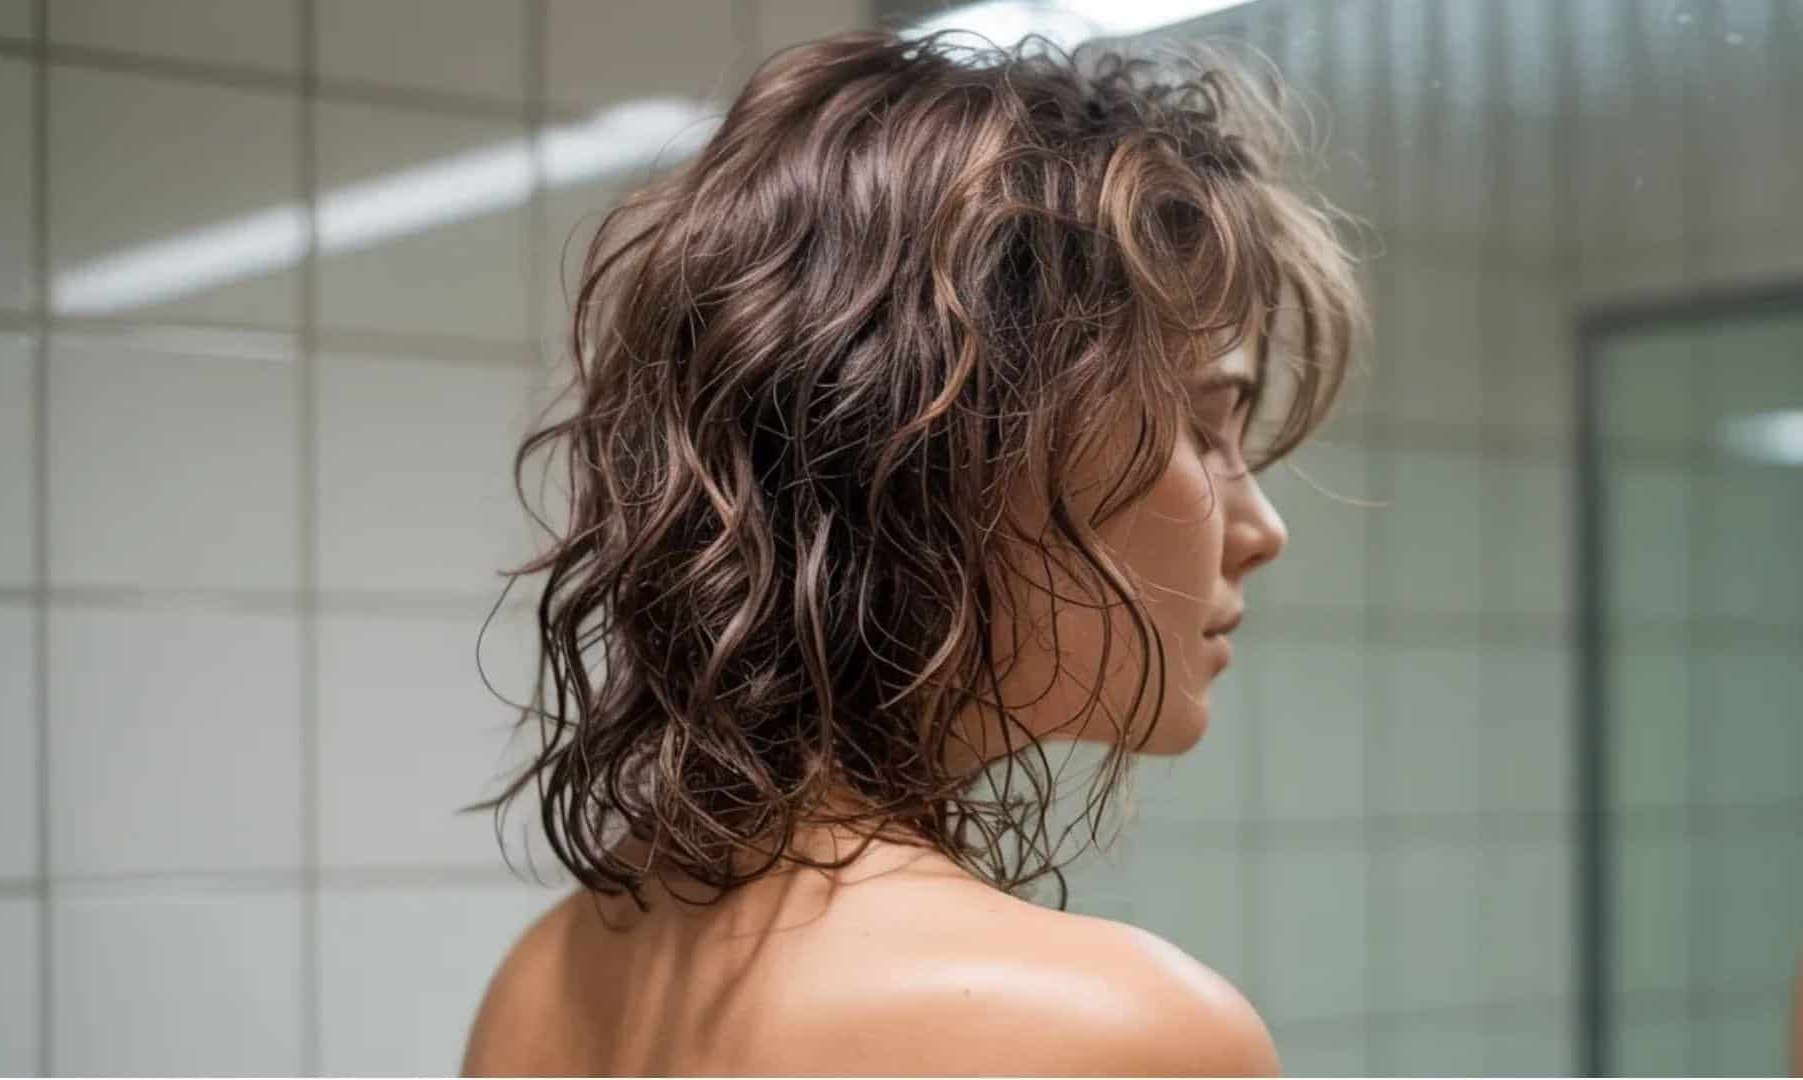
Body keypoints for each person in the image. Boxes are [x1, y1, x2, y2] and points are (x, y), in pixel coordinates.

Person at [460, 26, 1366, 1077]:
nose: (1261, 532)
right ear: (957, 448)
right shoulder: (1121, 1034)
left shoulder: (549, 977)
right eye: (1207, 427)